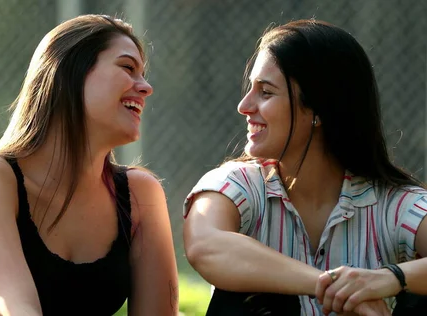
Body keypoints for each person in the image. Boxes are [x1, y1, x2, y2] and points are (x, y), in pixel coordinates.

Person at [0, 14, 179, 316]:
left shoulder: (141, 195)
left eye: (142, 74)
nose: (145, 87)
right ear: (70, 71)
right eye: (127, 67)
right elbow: (16, 310)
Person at [183, 19, 427, 315]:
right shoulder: (239, 185)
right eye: (251, 88)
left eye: (266, 92)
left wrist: (389, 279)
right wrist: (335, 286)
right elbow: (205, 245)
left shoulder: (394, 205)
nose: (244, 105)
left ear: (319, 109)